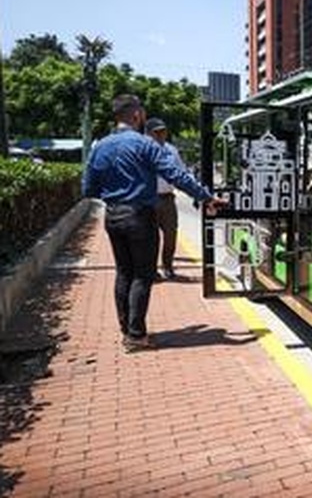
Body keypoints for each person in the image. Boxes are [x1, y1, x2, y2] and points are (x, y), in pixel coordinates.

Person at [82, 95, 225, 352]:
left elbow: (88, 188)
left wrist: (115, 192)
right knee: (142, 275)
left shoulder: (100, 146)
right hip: (139, 216)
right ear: (137, 115)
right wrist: (205, 196)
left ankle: (127, 330)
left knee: (123, 272)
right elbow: (176, 175)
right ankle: (136, 335)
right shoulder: (145, 144)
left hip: (112, 216)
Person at [145, 117, 181, 280]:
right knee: (150, 238)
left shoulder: (171, 150)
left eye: (164, 131)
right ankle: (150, 270)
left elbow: (182, 173)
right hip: (148, 200)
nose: (162, 134)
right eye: (157, 132)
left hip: (167, 199)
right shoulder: (141, 150)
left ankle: (168, 266)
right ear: (149, 134)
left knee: (171, 236)